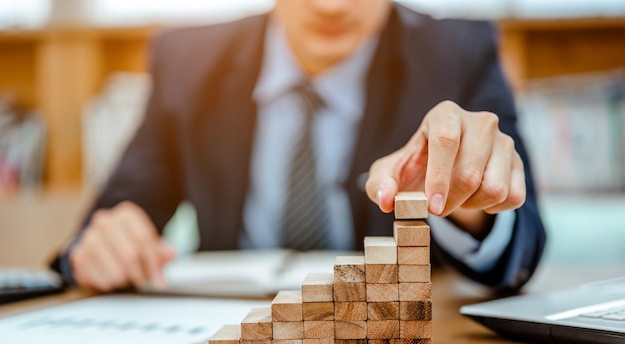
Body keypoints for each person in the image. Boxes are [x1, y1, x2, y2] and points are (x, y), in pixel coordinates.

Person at [52, 0, 546, 293]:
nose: (331, 7)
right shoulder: (186, 60)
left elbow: (522, 244)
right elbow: (107, 224)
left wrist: (468, 200)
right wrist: (98, 251)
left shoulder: (459, 52)